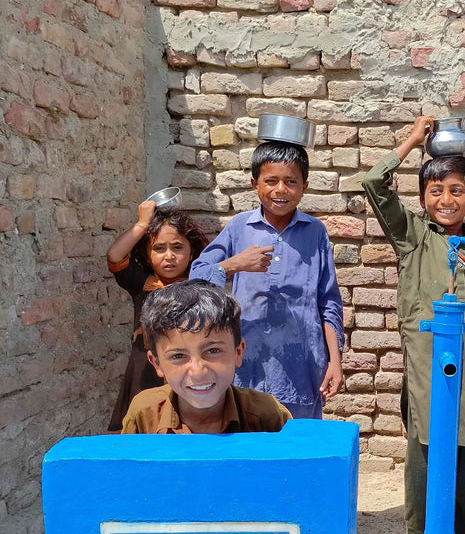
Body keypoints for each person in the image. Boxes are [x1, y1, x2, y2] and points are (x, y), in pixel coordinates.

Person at [362, 116, 465, 534]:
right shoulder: (414, 238)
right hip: (429, 362)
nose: (446, 199)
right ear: (423, 198)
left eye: (456, 190)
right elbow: (373, 182)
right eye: (436, 191)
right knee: (427, 440)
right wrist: (411, 140)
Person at [189, 141, 344, 419]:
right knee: (248, 442)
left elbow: (329, 302)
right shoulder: (240, 227)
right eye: (271, 181)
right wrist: (235, 264)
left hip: (302, 364)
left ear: (304, 186)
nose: (280, 190)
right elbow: (197, 274)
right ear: (255, 184)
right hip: (248, 362)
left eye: (291, 182)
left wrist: (335, 360)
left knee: (296, 446)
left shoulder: (315, 232)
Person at [121, 280, 291, 434]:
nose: (198, 372)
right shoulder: (145, 414)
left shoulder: (267, 414)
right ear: (157, 363)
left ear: (238, 353)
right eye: (179, 355)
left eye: (213, 351)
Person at [106, 202, 207, 430]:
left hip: (189, 373)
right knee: (143, 430)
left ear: (191, 253)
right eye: (159, 248)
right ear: (147, 254)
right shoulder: (143, 285)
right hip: (146, 372)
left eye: (177, 248)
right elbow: (115, 255)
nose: (169, 256)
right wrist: (142, 224)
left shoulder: (201, 286)